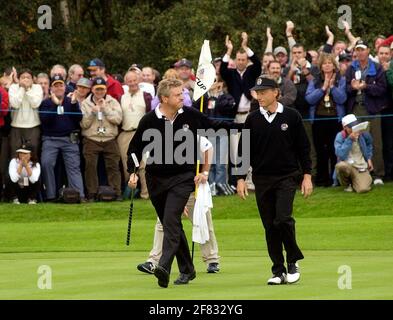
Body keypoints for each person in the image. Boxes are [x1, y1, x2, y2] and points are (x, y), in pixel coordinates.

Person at [127, 79, 241, 288]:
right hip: (156, 181)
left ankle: (163, 266)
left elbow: (212, 125)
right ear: (164, 98)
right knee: (173, 225)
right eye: (178, 95)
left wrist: (241, 126)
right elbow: (134, 149)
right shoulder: (149, 120)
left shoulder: (189, 114)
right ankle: (187, 269)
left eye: (183, 94)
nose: (183, 97)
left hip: (182, 179)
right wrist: (133, 171)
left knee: (170, 219)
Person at [236, 76, 313, 285]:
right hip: (262, 179)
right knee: (270, 226)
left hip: (287, 177)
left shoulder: (291, 116)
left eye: (263, 92)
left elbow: (303, 149)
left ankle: (293, 261)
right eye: (257, 92)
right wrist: (240, 178)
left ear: (275, 92)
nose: (259, 96)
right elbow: (244, 151)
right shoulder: (253, 119)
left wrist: (307, 175)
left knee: (283, 219)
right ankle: (277, 270)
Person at [136, 136, 220, 275]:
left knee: (203, 222)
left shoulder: (190, 133)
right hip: (171, 191)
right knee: (163, 223)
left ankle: (212, 260)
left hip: (193, 188)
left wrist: (204, 172)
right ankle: (153, 261)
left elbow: (208, 147)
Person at [345, 39, 388, 185]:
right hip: (356, 108)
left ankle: (378, 174)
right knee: (357, 141)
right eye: (358, 49)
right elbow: (346, 90)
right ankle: (360, 174)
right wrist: (354, 88)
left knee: (375, 142)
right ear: (355, 52)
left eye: (362, 49)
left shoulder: (376, 67)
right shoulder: (351, 68)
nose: (360, 52)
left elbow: (382, 89)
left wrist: (366, 87)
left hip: (373, 109)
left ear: (368, 50)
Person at [39, 75, 85, 201]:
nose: (59, 88)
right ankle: (51, 196)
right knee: (46, 163)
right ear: (51, 89)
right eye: (56, 85)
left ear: (65, 87)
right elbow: (45, 121)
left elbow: (78, 118)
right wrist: (55, 105)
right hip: (50, 139)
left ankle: (79, 195)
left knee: (74, 166)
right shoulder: (46, 103)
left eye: (61, 85)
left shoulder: (71, 101)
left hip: (68, 139)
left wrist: (75, 104)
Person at [305, 53, 347, 187]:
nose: (327, 65)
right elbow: (309, 99)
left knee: (334, 150)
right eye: (325, 63)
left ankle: (336, 179)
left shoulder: (341, 79)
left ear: (334, 65)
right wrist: (323, 88)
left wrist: (332, 87)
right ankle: (322, 180)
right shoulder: (315, 81)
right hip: (319, 119)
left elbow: (342, 99)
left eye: (330, 63)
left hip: (335, 119)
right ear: (321, 66)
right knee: (320, 151)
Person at [80, 77, 123, 201]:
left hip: (109, 138)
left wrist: (105, 109)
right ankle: (92, 193)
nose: (100, 92)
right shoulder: (85, 103)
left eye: (102, 89)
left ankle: (116, 192)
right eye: (97, 89)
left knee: (113, 166)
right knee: (90, 166)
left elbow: (118, 120)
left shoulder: (112, 102)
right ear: (92, 89)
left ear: (106, 89)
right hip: (91, 138)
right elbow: (83, 124)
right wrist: (92, 113)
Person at [118, 70, 152, 199]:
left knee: (143, 165)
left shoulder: (146, 96)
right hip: (126, 133)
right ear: (126, 82)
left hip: (142, 134)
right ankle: (132, 193)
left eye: (134, 80)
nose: (132, 83)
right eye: (129, 81)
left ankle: (146, 194)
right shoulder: (122, 97)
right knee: (128, 165)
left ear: (139, 81)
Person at [334, 114, 373, 193]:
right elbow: (340, 154)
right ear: (344, 127)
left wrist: (369, 158)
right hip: (347, 165)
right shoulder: (340, 136)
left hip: (360, 166)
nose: (354, 129)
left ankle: (356, 182)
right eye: (351, 127)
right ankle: (347, 184)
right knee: (340, 166)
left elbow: (369, 144)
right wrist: (349, 139)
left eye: (355, 125)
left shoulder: (363, 133)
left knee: (363, 189)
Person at [8, 69, 43, 154]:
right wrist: (22, 89)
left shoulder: (37, 88)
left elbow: (35, 103)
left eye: (28, 77)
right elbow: (15, 104)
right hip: (16, 126)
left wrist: (28, 89)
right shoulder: (13, 87)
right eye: (23, 77)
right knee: (15, 153)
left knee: (33, 154)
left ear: (32, 79)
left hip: (33, 126)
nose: (26, 80)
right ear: (18, 79)